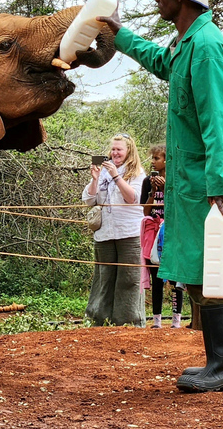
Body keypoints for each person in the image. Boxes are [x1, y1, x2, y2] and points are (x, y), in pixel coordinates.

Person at [98, 0, 223, 393]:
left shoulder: (208, 46)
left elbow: (221, 120)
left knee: (207, 269)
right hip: (201, 180)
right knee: (217, 268)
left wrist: (218, 181)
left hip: (208, 183)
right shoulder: (187, 43)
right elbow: (161, 61)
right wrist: (119, 35)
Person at [82, 133, 146, 327]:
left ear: (129, 151)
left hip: (130, 232)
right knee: (104, 276)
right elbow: (88, 200)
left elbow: (133, 198)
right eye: (113, 149)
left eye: (119, 149)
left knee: (129, 278)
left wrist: (116, 176)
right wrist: (95, 179)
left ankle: (128, 322)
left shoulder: (137, 173)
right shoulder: (102, 171)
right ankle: (99, 319)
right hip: (105, 233)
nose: (115, 153)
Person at [140, 144, 185, 329]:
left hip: (173, 231)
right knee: (156, 276)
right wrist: (152, 192)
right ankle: (157, 320)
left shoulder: (176, 180)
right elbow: (145, 211)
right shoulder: (146, 181)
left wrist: (167, 188)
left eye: (156, 158)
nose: (152, 161)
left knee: (176, 278)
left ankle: (177, 320)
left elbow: (180, 206)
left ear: (167, 160)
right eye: (152, 158)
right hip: (153, 232)